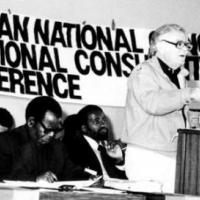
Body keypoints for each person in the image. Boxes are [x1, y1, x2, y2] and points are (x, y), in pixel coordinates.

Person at [121, 24, 200, 193]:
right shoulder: (144, 71)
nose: (185, 49)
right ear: (160, 46)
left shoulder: (182, 76)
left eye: (187, 45)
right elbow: (153, 103)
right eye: (179, 44)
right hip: (148, 156)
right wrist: (188, 93)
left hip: (176, 155)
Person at [0, 96, 89, 182]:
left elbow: (72, 172)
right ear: (31, 122)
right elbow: (2, 177)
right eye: (48, 130)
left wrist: (89, 178)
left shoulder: (58, 147)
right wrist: (36, 180)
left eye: (56, 130)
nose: (52, 135)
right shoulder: (5, 142)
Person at [63, 105, 127, 180]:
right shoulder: (74, 149)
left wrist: (119, 159)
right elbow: (73, 175)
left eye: (104, 119)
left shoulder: (106, 149)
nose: (103, 123)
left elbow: (123, 180)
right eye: (97, 121)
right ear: (84, 128)